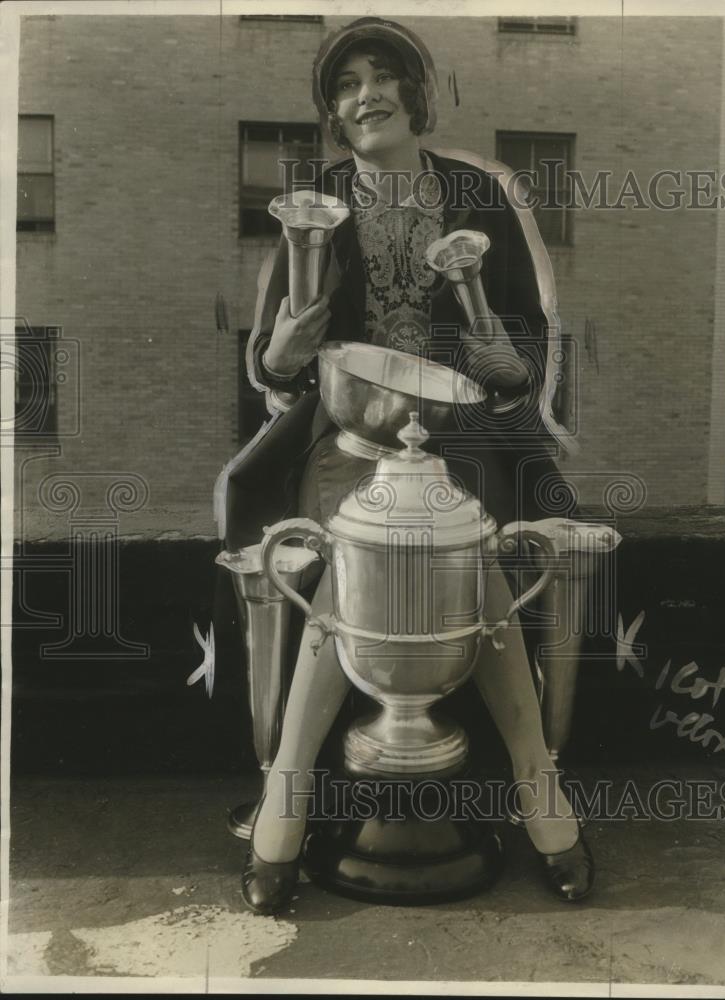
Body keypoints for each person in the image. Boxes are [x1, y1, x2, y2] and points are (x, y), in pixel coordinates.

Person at [231, 17, 592, 915]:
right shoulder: (317, 197)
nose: (366, 97)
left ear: (416, 92)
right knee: (348, 553)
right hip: (347, 438)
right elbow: (271, 366)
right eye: (345, 86)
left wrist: (508, 362)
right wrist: (282, 351)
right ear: (333, 111)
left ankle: (536, 785)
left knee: (473, 555)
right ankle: (287, 799)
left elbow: (528, 346)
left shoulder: (479, 192)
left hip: (464, 436)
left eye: (381, 76)